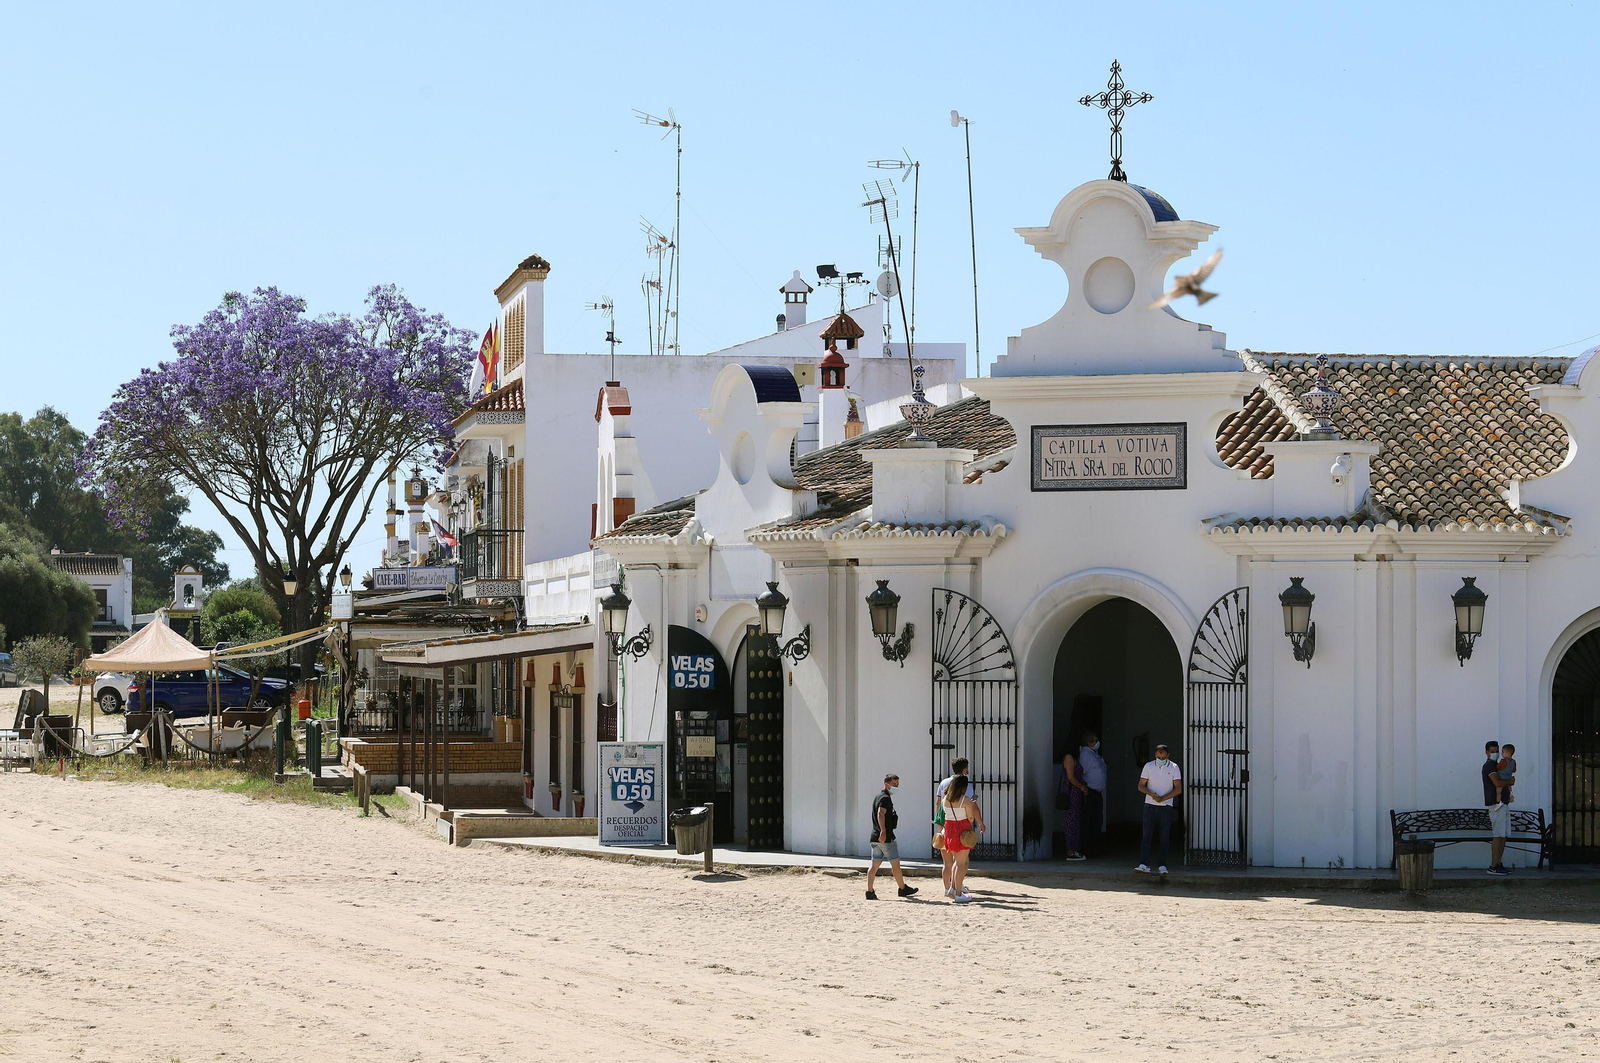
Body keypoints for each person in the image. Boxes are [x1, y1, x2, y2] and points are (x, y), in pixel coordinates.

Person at [866, 773, 917, 900]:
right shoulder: (885, 798)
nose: (896, 787)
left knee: (874, 865)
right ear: (886, 784)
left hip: (874, 836)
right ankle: (902, 888)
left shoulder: (878, 796)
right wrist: (884, 831)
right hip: (885, 837)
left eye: (897, 785)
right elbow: (881, 813)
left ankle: (870, 891)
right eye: (894, 784)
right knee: (895, 864)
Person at [1135, 743, 1182, 875]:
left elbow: (1178, 788)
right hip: (1150, 805)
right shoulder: (1149, 766)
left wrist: (1164, 798)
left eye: (1163, 757)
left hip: (1166, 806)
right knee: (1147, 836)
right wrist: (1152, 795)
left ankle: (1162, 865)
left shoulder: (1174, 767)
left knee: (1164, 837)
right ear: (1155, 754)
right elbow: (1141, 785)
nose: (1160, 760)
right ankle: (1144, 864)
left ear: (1168, 755)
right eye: (1158, 757)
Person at [940, 774, 985, 902]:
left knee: (956, 862)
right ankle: (958, 894)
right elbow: (970, 818)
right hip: (962, 831)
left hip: (949, 831)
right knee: (961, 863)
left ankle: (953, 889)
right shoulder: (965, 800)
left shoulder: (946, 800)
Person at [934, 757, 970, 896]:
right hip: (959, 826)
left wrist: (939, 824)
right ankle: (957, 888)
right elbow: (969, 805)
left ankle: (947, 888)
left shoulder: (943, 782)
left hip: (945, 825)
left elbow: (938, 803)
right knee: (960, 862)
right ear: (964, 768)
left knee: (947, 863)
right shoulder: (964, 784)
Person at [1483, 740, 1511, 876]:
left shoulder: (1498, 766)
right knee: (1498, 835)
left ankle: (1499, 863)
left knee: (1503, 835)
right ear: (1487, 753)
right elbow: (1496, 782)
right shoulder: (1489, 766)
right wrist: (1509, 782)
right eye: (1492, 751)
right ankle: (1493, 865)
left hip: (1503, 803)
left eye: (1496, 751)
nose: (1495, 754)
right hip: (1496, 805)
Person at [1077, 731, 1107, 857]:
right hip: (1089, 792)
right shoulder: (1086, 754)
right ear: (1089, 742)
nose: (1097, 743)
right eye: (1095, 741)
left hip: (1096, 793)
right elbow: (1081, 772)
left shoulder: (1094, 754)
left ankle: (1095, 848)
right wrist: (1083, 788)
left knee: (1096, 821)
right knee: (1089, 821)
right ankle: (1088, 848)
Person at [1058, 748, 1089, 860]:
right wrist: (1082, 787)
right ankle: (1071, 851)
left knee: (1075, 820)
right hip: (1072, 793)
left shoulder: (1074, 758)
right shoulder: (1069, 757)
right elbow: (1071, 777)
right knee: (1072, 821)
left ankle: (1074, 849)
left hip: (1076, 793)